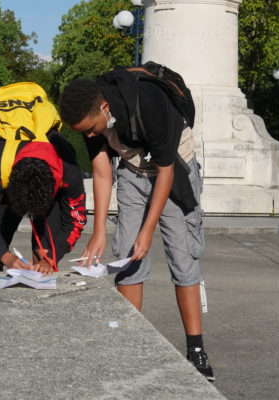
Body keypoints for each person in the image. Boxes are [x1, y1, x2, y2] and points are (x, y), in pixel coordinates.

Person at [59, 69, 215, 381]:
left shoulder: (149, 103)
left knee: (182, 257)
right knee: (127, 257)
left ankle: (196, 349)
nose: (89, 136)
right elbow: (103, 171)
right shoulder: (89, 117)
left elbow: (166, 173)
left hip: (175, 170)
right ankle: (131, 343)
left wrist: (147, 230)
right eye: (83, 133)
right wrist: (98, 229)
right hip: (132, 169)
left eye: (91, 130)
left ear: (104, 108)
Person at [0, 131, 86, 275]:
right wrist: (6, 257)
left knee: (44, 251)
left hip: (49, 190)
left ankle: (42, 289)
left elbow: (75, 222)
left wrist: (49, 258)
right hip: (11, 181)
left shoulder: (68, 169)